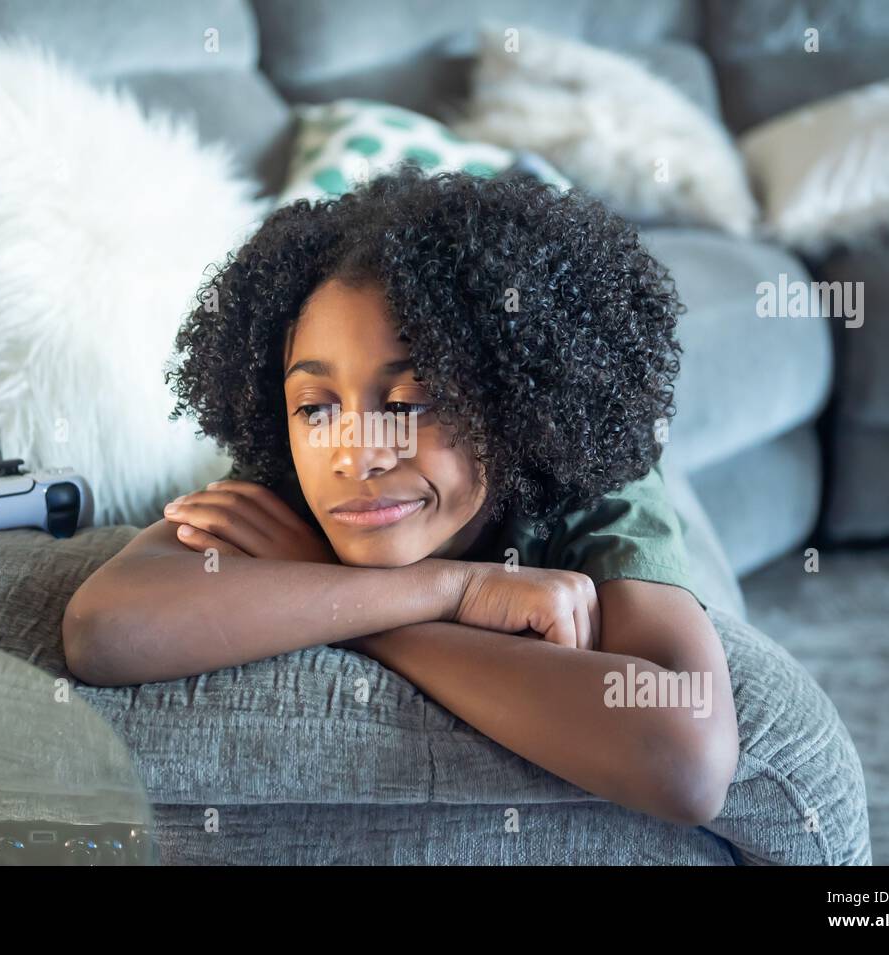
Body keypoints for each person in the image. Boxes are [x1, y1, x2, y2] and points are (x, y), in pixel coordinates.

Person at [63, 165, 739, 826]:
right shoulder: (293, 480)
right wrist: (452, 593)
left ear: (508, 408)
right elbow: (106, 631)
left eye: (410, 402)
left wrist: (340, 599)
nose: (355, 453)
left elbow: (689, 761)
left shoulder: (601, 497)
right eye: (315, 407)